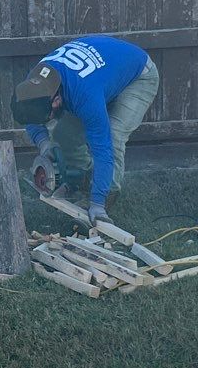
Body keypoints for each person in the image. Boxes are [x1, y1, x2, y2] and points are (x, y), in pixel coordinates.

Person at [9, 35, 160, 225]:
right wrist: (44, 144)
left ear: (56, 102)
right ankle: (82, 180)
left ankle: (105, 196)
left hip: (138, 76)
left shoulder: (84, 96)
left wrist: (97, 203)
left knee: (113, 136)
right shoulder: (35, 83)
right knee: (64, 135)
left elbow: (103, 149)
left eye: (46, 117)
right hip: (102, 70)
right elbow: (31, 118)